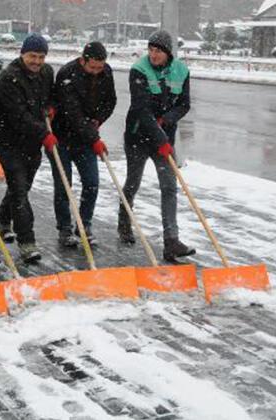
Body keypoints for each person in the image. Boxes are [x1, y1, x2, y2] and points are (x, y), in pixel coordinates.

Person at [118, 30, 194, 262]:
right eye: (150, 50)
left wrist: (168, 120)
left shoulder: (181, 70)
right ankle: (124, 220)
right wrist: (160, 136)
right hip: (138, 137)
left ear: (168, 52)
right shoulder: (139, 70)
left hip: (163, 139)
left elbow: (184, 104)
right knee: (133, 182)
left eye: (158, 51)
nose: (153, 54)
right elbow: (142, 108)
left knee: (169, 187)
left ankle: (171, 241)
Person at [0, 33, 55, 263]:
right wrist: (45, 134)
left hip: (32, 141)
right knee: (19, 190)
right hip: (8, 139)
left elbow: (50, 97)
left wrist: (50, 106)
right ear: (22, 54)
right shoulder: (10, 77)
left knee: (22, 187)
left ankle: (1, 218)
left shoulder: (47, 73)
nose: (37, 62)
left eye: (41, 57)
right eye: (32, 56)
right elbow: (18, 115)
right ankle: (27, 241)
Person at [50, 41, 116, 247]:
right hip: (62, 137)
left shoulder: (106, 72)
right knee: (64, 185)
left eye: (100, 67)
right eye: (92, 67)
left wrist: (98, 120)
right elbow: (73, 114)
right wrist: (94, 137)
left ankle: (84, 224)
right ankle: (65, 229)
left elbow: (110, 101)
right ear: (82, 60)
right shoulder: (67, 74)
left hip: (86, 138)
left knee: (92, 182)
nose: (97, 72)